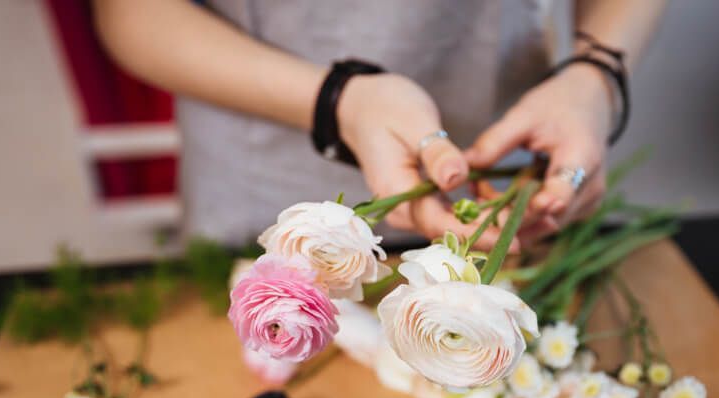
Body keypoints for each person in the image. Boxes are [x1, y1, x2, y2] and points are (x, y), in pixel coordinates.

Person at [92, 0, 666, 248]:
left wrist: (594, 78)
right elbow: (130, 13)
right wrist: (338, 103)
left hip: (512, 179)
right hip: (264, 198)